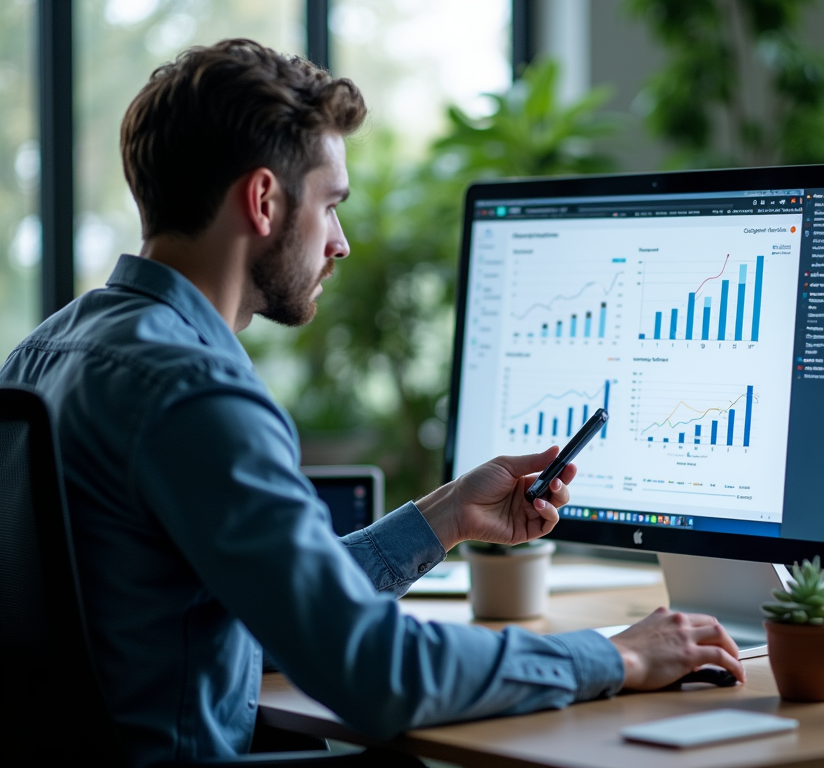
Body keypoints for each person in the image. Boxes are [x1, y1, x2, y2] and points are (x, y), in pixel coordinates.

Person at [0, 39, 744, 767]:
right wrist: (610, 657)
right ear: (263, 200)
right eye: (330, 206)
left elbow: (270, 612)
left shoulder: (40, 355)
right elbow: (373, 670)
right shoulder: (197, 393)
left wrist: (444, 517)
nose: (341, 242)